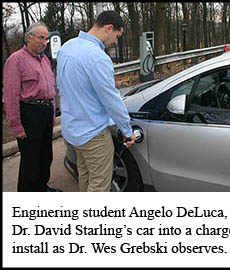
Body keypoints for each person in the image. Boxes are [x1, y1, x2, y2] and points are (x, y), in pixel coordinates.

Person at [56, 10, 135, 192]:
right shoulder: (98, 58)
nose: (115, 42)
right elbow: (111, 99)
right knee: (99, 186)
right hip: (93, 134)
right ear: (109, 28)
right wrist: (126, 129)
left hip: (72, 131)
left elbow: (63, 87)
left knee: (85, 177)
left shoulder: (67, 47)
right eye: (117, 36)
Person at [3, 22, 60, 192]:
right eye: (41, 38)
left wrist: (52, 115)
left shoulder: (44, 60)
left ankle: (42, 188)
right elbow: (10, 95)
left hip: (45, 112)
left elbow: (50, 89)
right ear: (29, 38)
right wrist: (16, 125)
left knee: (45, 156)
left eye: (47, 39)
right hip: (30, 114)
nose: (44, 42)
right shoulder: (16, 60)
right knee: (31, 161)